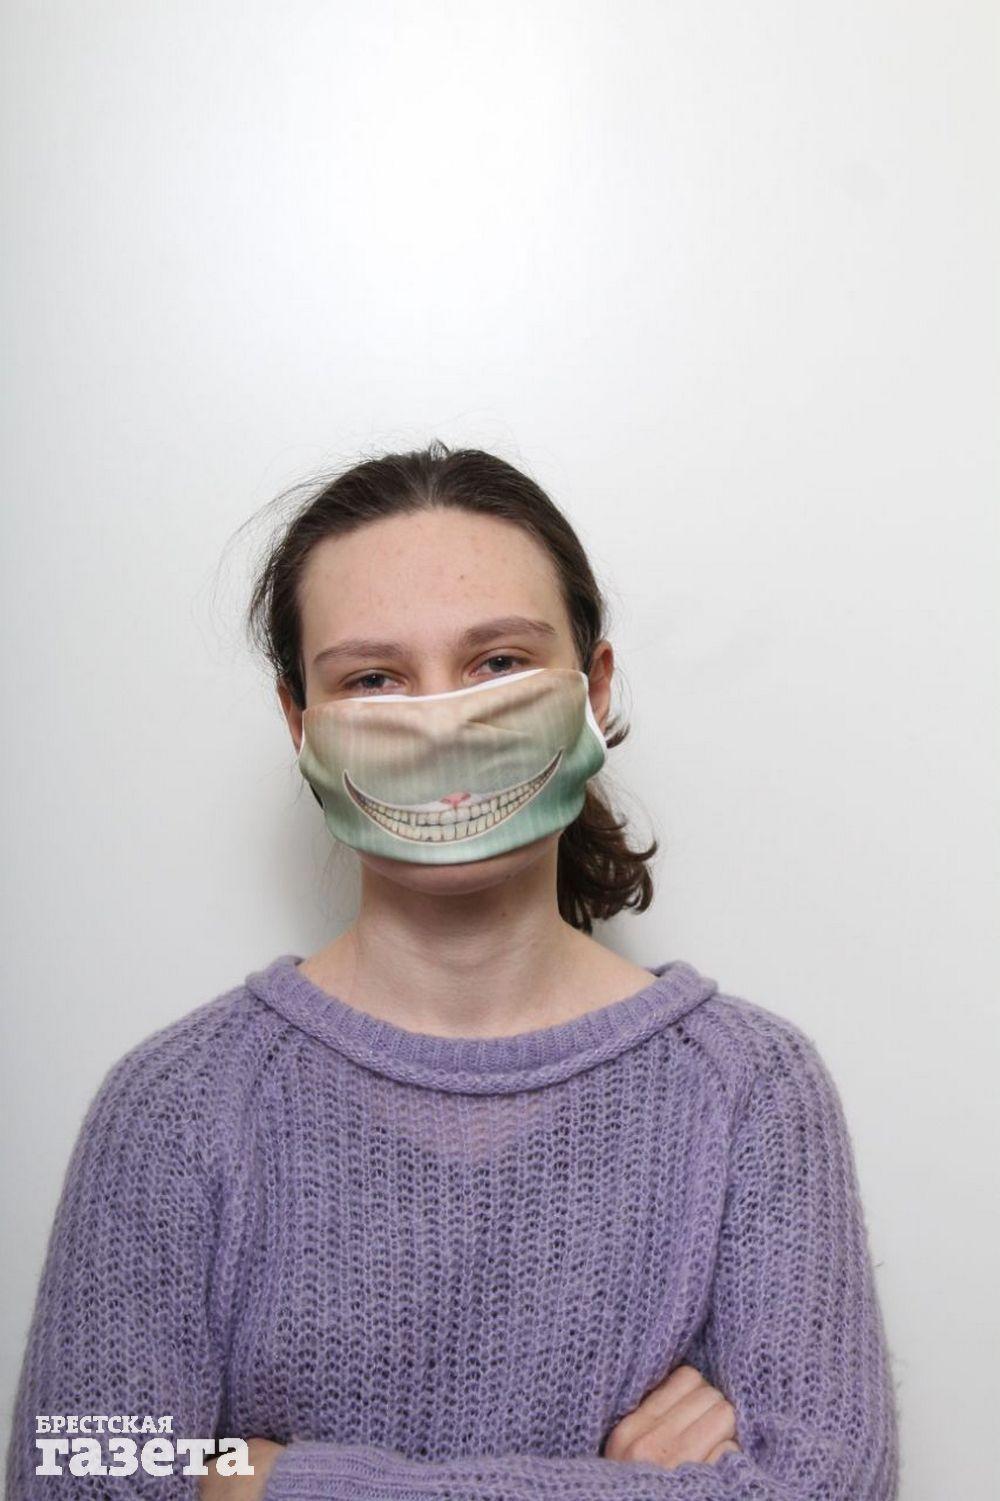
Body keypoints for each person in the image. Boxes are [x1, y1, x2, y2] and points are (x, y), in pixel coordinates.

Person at [5, 443, 900, 1500]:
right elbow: (80, 1467)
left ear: (593, 687)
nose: (441, 723)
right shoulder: (175, 1106)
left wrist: (261, 1481)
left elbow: (826, 1487)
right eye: (373, 679)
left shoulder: (750, 1091)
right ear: (299, 721)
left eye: (497, 663)